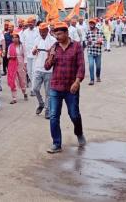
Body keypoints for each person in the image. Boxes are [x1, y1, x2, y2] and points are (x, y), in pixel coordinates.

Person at [45, 21, 86, 154]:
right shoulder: (54, 47)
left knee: (74, 114)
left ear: (67, 33)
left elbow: (81, 66)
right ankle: (56, 143)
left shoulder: (76, 46)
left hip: (71, 88)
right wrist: (51, 56)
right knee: (53, 116)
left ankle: (79, 133)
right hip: (55, 87)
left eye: (59, 34)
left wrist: (77, 81)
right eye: (55, 34)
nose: (57, 37)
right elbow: (47, 66)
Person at [32, 23, 56, 119]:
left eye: (44, 32)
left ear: (47, 30)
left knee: (48, 92)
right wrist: (34, 51)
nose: (42, 33)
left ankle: (47, 110)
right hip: (38, 68)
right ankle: (41, 103)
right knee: (35, 89)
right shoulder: (37, 39)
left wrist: (50, 52)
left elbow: (55, 53)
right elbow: (33, 52)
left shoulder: (53, 40)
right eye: (40, 32)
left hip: (49, 70)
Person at [7, 32, 28, 104]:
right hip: (12, 64)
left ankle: (24, 92)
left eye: (16, 37)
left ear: (19, 38)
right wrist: (11, 57)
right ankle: (14, 98)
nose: (15, 39)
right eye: (13, 38)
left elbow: (25, 55)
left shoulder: (22, 46)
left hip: (20, 64)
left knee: (22, 80)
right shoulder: (10, 46)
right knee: (13, 81)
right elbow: (7, 55)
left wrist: (25, 64)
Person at [21, 17, 39, 94]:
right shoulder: (25, 32)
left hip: (36, 55)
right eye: (29, 23)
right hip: (27, 55)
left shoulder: (38, 31)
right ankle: (34, 86)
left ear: (34, 23)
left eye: (31, 23)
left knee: (34, 71)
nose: (30, 24)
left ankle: (33, 89)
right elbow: (22, 43)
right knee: (29, 72)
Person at [86, 18, 104, 85]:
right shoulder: (88, 32)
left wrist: (101, 42)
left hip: (98, 52)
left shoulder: (100, 31)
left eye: (92, 23)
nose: (91, 24)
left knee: (98, 66)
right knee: (91, 65)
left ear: (95, 24)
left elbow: (103, 40)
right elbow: (86, 41)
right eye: (90, 23)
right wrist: (88, 42)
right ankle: (92, 80)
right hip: (90, 51)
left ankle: (98, 76)